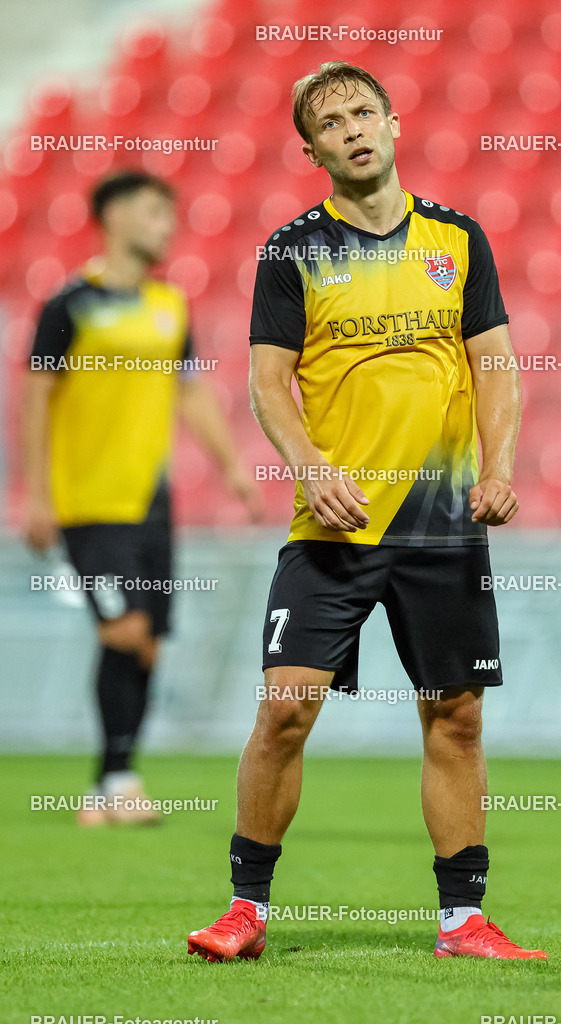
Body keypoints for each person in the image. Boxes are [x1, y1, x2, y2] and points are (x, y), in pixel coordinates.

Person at [188, 62, 546, 960]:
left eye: (360, 112)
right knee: (284, 711)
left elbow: (496, 363)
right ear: (309, 150)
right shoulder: (289, 251)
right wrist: (309, 468)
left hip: (439, 524)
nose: (349, 128)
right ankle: (245, 910)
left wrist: (498, 468)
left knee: (454, 717)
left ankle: (462, 922)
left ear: (391, 122)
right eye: (328, 121)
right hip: (333, 528)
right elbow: (268, 381)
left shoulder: (460, 240)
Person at [23, 169, 262, 825]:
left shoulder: (168, 306)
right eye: (156, 212)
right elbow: (36, 397)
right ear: (117, 215)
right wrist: (36, 494)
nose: (168, 225)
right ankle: (119, 782)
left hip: (151, 505)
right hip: (89, 503)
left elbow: (190, 392)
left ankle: (108, 787)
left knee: (148, 641)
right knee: (123, 630)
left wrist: (235, 467)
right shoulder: (69, 304)